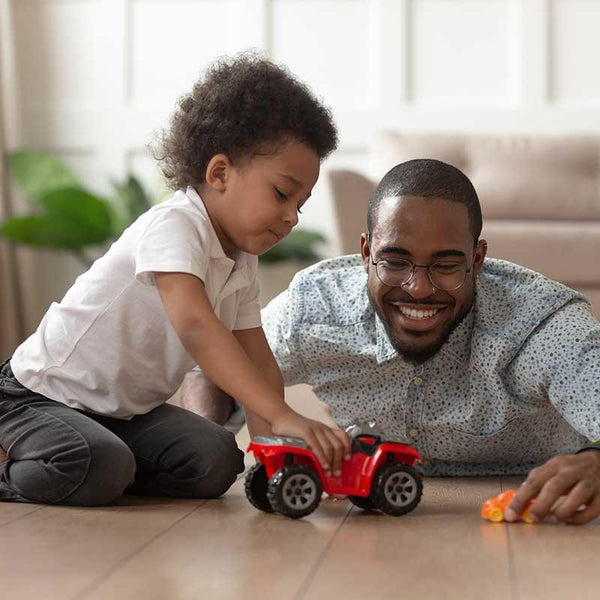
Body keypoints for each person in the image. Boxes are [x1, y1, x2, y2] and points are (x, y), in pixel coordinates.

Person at [0, 53, 350, 506]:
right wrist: (283, 415)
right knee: (98, 464)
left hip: (125, 415)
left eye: (300, 204)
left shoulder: (240, 258)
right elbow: (197, 327)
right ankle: (31, 458)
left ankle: (108, 466)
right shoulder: (175, 225)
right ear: (219, 172)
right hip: (40, 397)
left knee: (218, 459)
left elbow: (257, 357)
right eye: (282, 194)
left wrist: (275, 455)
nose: (291, 217)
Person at [188, 158, 600, 525]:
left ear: (477, 259)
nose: (419, 289)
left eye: (446, 264)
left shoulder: (540, 325)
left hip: (528, 501)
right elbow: (211, 366)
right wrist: (206, 445)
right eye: (395, 261)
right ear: (366, 253)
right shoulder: (315, 310)